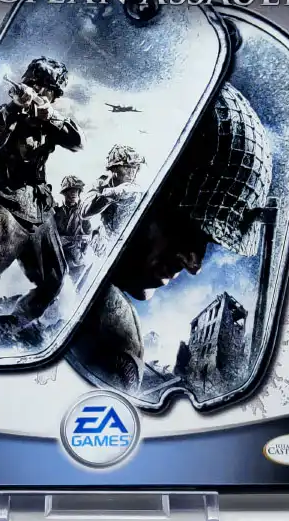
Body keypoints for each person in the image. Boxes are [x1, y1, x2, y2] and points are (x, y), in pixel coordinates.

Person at [70, 83, 272, 393]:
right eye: (188, 231)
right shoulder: (113, 340)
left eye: (206, 243)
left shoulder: (103, 319)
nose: (194, 266)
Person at [0, 57, 83, 330]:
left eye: (51, 92)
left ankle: (14, 322)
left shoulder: (47, 119)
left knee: (55, 277)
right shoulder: (7, 114)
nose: (46, 94)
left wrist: (49, 115)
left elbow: (77, 142)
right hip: (6, 202)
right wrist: (15, 108)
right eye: (41, 88)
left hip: (39, 207)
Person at [82, 144, 146, 241]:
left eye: (135, 167)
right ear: (114, 168)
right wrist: (109, 195)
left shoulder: (136, 187)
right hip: (108, 240)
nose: (131, 172)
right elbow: (85, 213)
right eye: (126, 167)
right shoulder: (100, 184)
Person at [54, 175, 93, 281]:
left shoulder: (83, 212)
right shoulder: (55, 212)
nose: (74, 193)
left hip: (76, 262)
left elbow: (88, 236)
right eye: (71, 190)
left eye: (76, 191)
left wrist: (72, 240)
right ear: (64, 192)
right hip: (57, 259)